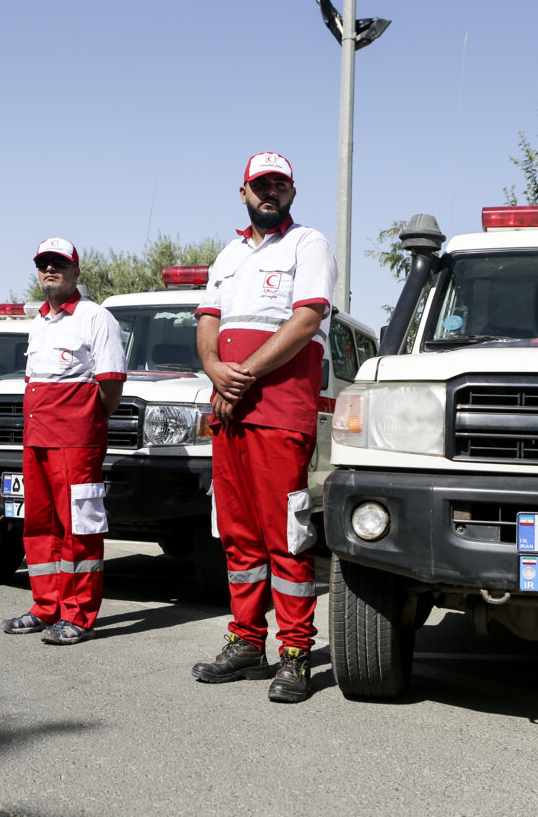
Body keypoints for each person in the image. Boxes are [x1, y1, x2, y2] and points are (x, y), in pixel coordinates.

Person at [191, 152, 338, 703]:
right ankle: (247, 642)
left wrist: (243, 375)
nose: (269, 193)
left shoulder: (309, 244)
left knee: (287, 537)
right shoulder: (228, 255)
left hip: (278, 412)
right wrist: (214, 369)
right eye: (260, 185)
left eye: (279, 184)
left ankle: (295, 652)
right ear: (244, 191)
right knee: (238, 535)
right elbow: (208, 320)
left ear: (293, 192)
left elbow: (306, 319)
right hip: (228, 412)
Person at [1, 237, 125, 644]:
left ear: (76, 271)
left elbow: (109, 385)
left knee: (80, 528)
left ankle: (79, 614)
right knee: (39, 524)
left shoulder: (95, 317)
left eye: (59, 263)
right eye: (43, 264)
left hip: (76, 442)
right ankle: (46, 606)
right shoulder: (39, 322)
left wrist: (87, 423)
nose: (50, 270)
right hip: (37, 440)